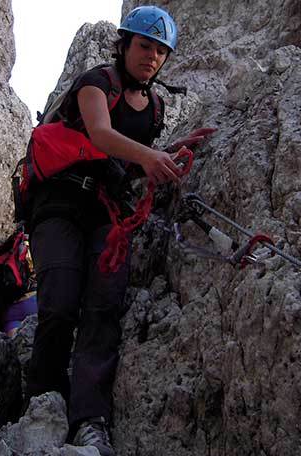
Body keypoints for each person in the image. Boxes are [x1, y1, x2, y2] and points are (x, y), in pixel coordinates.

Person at [23, 5, 212, 455]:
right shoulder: (97, 83)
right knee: (61, 300)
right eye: (145, 46)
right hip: (60, 206)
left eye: (161, 51)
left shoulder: (155, 109)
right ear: (125, 44)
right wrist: (150, 156)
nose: (152, 57)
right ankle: (42, 401)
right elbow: (101, 134)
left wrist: (166, 151)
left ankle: (90, 418)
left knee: (104, 306)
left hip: (106, 210)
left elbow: (125, 166)